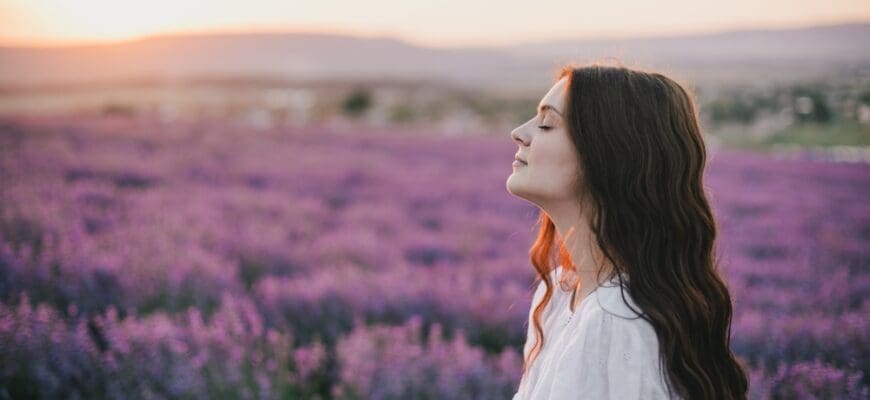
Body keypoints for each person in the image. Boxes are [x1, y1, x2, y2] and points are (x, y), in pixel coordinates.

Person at [505, 62, 749, 400]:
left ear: (607, 156)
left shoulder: (612, 322)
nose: (519, 132)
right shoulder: (559, 297)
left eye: (547, 124)